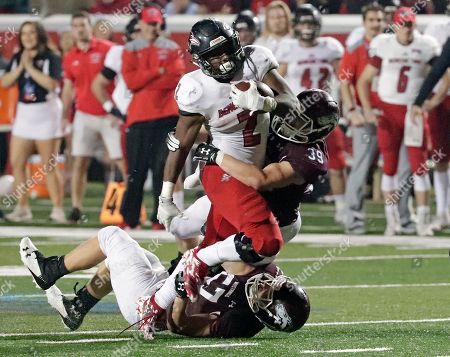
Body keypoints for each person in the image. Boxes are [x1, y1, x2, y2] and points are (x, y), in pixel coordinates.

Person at [156, 18, 299, 306]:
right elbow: (181, 143)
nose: (222, 62)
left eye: (225, 52)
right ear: (200, 60)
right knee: (252, 240)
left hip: (255, 167)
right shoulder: (195, 89)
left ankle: (163, 296)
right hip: (223, 168)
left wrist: (267, 103)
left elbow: (292, 103)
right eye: (213, 56)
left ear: (236, 44)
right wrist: (166, 195)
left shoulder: (256, 59)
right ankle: (171, 291)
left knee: (213, 243)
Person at [19, 229, 310, 339]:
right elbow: (216, 254)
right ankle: (77, 308)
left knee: (113, 238)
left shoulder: (241, 323)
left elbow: (180, 326)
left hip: (154, 309)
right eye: (275, 283)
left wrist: (182, 293)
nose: (266, 284)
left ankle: (50, 270)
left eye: (268, 295)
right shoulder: (267, 271)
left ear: (265, 313)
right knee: (127, 258)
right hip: (166, 283)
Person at [357, 8, 441, 236]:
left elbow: (444, 74)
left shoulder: (426, 45)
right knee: (390, 167)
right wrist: (366, 109)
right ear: (395, 25)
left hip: (413, 111)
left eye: (410, 24)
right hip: (388, 110)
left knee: (420, 167)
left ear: (415, 24)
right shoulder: (384, 43)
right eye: (402, 24)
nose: (406, 29)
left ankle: (423, 221)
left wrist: (432, 102)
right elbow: (364, 80)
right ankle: (392, 222)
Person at [275, 4, 346, 225]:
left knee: (337, 162)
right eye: (304, 23)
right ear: (295, 25)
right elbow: (279, 80)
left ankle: (344, 210)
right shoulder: (287, 48)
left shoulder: (330, 47)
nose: (307, 28)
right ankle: (286, 207)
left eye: (311, 23)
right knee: (289, 161)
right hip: (297, 117)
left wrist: (347, 105)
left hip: (324, 115)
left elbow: (343, 77)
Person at [120, 5, 185, 229]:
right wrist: (157, 72)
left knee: (161, 169)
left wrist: (145, 78)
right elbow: (131, 82)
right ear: (141, 24)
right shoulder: (130, 49)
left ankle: (159, 219)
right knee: (136, 170)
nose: (153, 28)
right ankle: (130, 219)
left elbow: (175, 79)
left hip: (166, 116)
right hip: (139, 118)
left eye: (156, 24)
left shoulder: (172, 47)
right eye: (149, 24)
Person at [62, 12, 125, 223]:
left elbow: (122, 79)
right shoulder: (70, 57)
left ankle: (130, 206)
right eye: (76, 25)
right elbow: (69, 90)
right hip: (84, 113)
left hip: (109, 115)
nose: (80, 29)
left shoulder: (107, 49)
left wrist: (120, 109)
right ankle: (76, 207)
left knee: (121, 161)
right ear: (72, 30)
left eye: (83, 25)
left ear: (90, 27)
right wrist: (65, 117)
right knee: (79, 161)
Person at [2, 21, 65, 223]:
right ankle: (22, 207)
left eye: (32, 33)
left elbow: (51, 84)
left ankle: (57, 209)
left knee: (48, 165)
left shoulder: (51, 57)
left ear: (39, 35)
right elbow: (5, 82)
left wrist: (30, 67)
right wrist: (21, 66)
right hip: (24, 113)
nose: (28, 37)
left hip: (46, 113)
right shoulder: (18, 57)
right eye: (24, 33)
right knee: (18, 163)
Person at [339, 4, 384, 234]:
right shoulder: (356, 48)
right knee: (361, 166)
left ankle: (402, 219)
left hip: (390, 115)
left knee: (399, 169)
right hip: (366, 116)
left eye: (380, 19)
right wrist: (352, 110)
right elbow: (345, 82)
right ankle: (353, 219)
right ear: (364, 23)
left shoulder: (390, 45)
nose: (377, 24)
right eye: (373, 20)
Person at [420, 17, 450, 231]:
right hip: (441, 97)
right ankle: (442, 211)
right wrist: (423, 100)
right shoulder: (435, 29)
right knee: (440, 157)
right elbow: (435, 68)